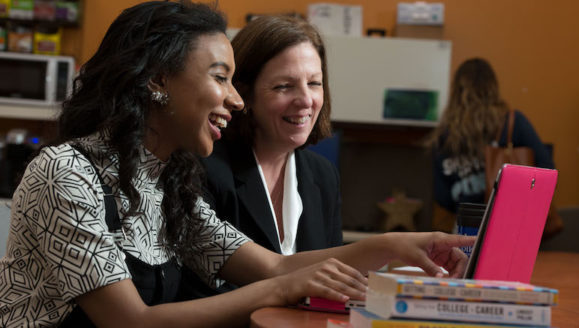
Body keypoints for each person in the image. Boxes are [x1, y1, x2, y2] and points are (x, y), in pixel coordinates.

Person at [0, 2, 474, 327]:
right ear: (158, 81)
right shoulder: (66, 172)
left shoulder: (168, 182)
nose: (236, 100)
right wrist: (287, 287)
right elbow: (130, 321)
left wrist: (402, 245)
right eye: (220, 78)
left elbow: (273, 265)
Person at [201, 15, 341, 256]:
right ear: (244, 93)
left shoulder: (323, 175)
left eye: (314, 83)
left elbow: (333, 277)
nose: (306, 100)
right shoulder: (206, 169)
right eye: (284, 86)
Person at [430, 58, 554, 231]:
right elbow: (546, 168)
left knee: (462, 258)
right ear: (493, 88)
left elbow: (441, 195)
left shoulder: (445, 133)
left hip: (465, 224)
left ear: (457, 90)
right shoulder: (513, 122)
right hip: (510, 223)